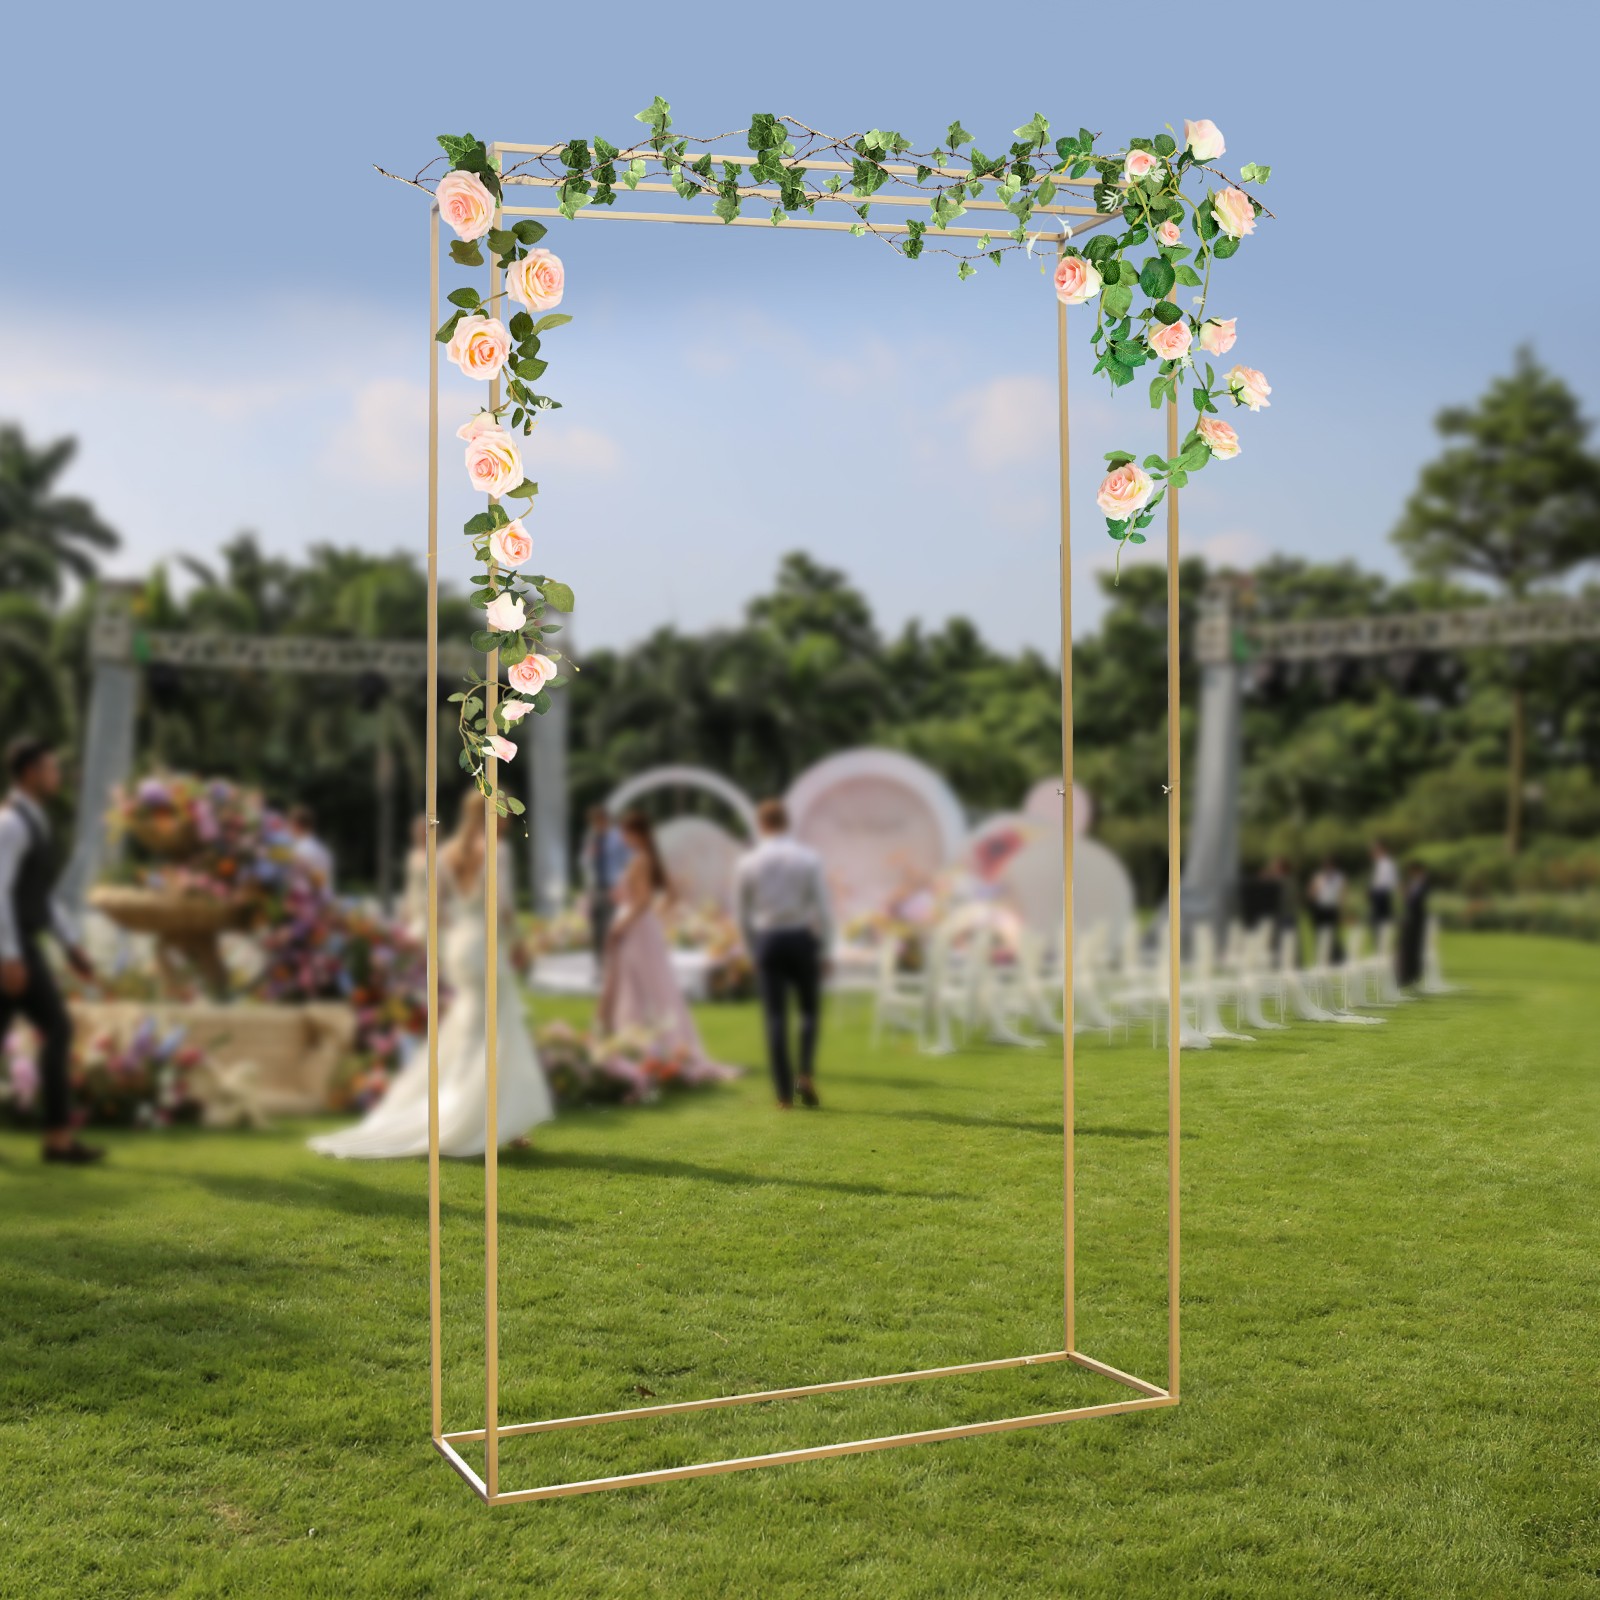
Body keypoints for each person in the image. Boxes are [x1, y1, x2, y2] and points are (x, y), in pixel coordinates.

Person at [310, 792, 553, 1159]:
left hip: (461, 946)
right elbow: (502, 905)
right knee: (495, 1033)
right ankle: (478, 1120)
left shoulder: (447, 853)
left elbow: (434, 907)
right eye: (505, 812)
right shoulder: (498, 851)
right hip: (485, 945)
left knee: (477, 1031)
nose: (508, 820)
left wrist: (452, 937)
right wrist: (517, 942)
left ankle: (499, 1122)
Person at [0, 738, 100, 1164]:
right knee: (58, 1027)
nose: (57, 776)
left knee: (51, 1028)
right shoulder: (11, 823)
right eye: (51, 768)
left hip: (21, 941)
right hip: (12, 945)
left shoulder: (35, 821)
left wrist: (71, 944)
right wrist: (8, 954)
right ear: (29, 774)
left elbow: (41, 894)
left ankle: (58, 1138)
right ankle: (57, 1138)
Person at [595, 810, 722, 1070]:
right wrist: (654, 918)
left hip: (635, 927)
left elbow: (643, 900)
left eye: (626, 833)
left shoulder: (641, 859)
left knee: (635, 986)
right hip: (642, 926)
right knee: (646, 984)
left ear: (636, 833)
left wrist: (622, 924)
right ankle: (639, 1043)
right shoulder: (649, 857)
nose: (623, 838)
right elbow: (668, 895)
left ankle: (639, 1043)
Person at [735, 799, 832, 1110]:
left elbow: (741, 914)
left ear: (761, 825)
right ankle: (804, 1073)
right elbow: (823, 908)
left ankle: (783, 1094)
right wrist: (827, 949)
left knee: (775, 1016)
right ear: (786, 823)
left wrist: (751, 950)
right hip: (800, 935)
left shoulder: (748, 862)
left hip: (768, 938)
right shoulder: (807, 857)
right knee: (808, 1011)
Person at [581, 806, 630, 966]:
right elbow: (585, 862)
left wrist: (622, 884)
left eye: (598, 820)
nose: (596, 824)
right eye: (593, 821)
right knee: (597, 928)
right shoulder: (592, 839)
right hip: (596, 887)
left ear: (606, 820)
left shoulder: (617, 838)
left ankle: (615, 965)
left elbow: (627, 860)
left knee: (612, 927)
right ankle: (600, 965)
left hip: (613, 887)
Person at [1306, 856, 1346, 965]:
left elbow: (1342, 893)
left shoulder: (1339, 877)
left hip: (1332, 907)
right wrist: (1313, 893)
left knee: (1332, 933)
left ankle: (1337, 958)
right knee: (1320, 933)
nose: (1328, 868)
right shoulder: (1319, 876)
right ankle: (1323, 957)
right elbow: (1311, 892)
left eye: (1330, 866)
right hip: (1320, 908)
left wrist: (1342, 908)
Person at [1397, 859, 1430, 988]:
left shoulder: (1424, 882)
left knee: (1414, 947)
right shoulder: (1414, 883)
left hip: (1416, 918)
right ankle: (1406, 975)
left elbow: (1415, 900)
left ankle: (1411, 976)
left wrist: (1406, 892)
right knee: (1407, 947)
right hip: (1410, 917)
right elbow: (1408, 900)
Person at [288, 803, 335, 894]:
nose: (288, 828)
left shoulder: (302, 848)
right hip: (321, 896)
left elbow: (316, 882)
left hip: (307, 897)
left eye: (289, 824)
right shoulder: (321, 848)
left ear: (296, 825)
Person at [1368, 840, 1398, 936]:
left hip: (1382, 893)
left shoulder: (1387, 863)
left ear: (1383, 850)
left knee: (1382, 918)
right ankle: (1379, 936)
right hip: (1376, 893)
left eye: (1376, 850)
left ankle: (1383, 936)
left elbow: (1392, 879)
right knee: (1376, 918)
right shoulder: (1378, 863)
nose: (1373, 853)